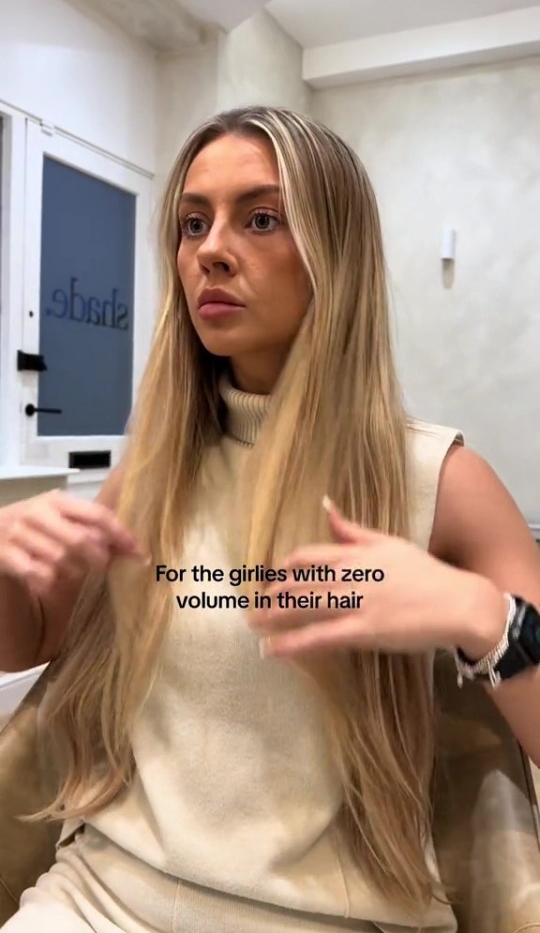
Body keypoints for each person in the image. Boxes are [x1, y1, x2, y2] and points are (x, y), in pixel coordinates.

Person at [0, 105, 539, 933]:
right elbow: (30, 640)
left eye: (260, 219)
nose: (210, 250)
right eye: (191, 223)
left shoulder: (441, 481)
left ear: (334, 252)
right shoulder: (152, 473)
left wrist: (479, 616)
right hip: (100, 899)